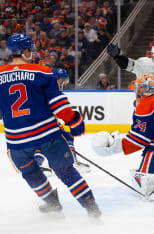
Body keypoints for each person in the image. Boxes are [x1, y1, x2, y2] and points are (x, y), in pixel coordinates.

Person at [0, 34, 101, 218]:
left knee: (30, 174)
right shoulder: (42, 72)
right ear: (24, 51)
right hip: (47, 135)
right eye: (30, 49)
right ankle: (92, 208)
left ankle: (52, 203)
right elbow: (58, 104)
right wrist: (74, 121)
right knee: (66, 172)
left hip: (17, 141)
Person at [91, 74, 154, 200]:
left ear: (151, 88)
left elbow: (138, 140)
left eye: (142, 88)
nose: (138, 91)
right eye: (138, 88)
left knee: (143, 183)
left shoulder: (145, 106)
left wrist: (114, 147)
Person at [34, 68, 91, 176]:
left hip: (38, 122)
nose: (65, 83)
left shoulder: (46, 88)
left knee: (66, 136)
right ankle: (38, 165)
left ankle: (71, 161)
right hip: (38, 123)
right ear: (59, 79)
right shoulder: (51, 91)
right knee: (43, 140)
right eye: (64, 80)